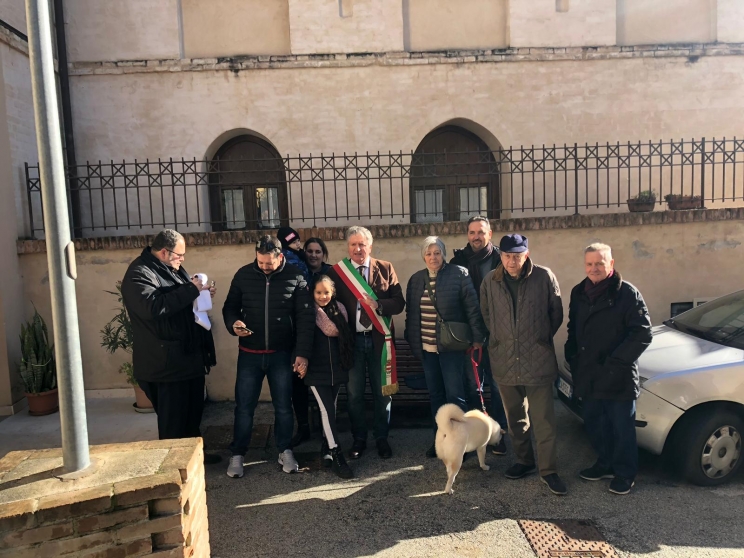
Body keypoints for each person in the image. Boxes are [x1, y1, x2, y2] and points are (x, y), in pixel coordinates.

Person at [120, 229, 220, 464]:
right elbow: (154, 308)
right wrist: (191, 289)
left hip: (187, 359)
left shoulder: (170, 268)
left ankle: (195, 458)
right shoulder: (139, 274)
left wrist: (201, 293)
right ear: (164, 252)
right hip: (165, 365)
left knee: (192, 415)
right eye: (179, 255)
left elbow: (180, 298)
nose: (182, 259)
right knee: (173, 423)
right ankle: (174, 468)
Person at [480, 234, 566, 495]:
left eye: (517, 256)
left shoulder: (544, 277)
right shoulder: (490, 281)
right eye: (507, 256)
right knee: (515, 418)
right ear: (501, 256)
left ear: (526, 255)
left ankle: (548, 470)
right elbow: (486, 315)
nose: (511, 261)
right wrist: (500, 339)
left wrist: (539, 339)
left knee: (543, 421)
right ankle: (524, 461)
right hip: (504, 359)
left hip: (537, 360)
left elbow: (556, 314)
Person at [222, 235, 314, 478]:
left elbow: (305, 318)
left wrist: (302, 353)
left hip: (281, 355)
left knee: (283, 407)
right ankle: (238, 454)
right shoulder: (243, 275)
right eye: (260, 262)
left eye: (269, 263)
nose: (264, 267)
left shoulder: (296, 276)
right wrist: (234, 324)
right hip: (249, 355)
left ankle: (285, 450)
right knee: (244, 408)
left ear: (280, 256)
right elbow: (230, 307)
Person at [565, 243, 652, 495]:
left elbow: (642, 333)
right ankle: (605, 464)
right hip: (589, 374)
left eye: (599, 263)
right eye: (589, 264)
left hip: (618, 376)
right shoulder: (579, 292)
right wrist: (572, 355)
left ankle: (625, 473)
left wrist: (616, 363)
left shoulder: (627, 293)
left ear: (611, 264)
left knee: (622, 429)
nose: (594, 268)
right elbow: (573, 327)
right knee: (596, 425)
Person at [328, 226, 406, 460]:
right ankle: (359, 438)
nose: (358, 249)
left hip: (379, 342)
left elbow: (399, 302)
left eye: (362, 244)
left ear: (370, 246)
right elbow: (329, 305)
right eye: (353, 244)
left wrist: (379, 305)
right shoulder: (337, 273)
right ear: (348, 247)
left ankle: (381, 438)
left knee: (383, 393)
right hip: (352, 343)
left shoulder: (386, 268)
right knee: (354, 394)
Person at [405, 236, 486, 458]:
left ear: (443, 254)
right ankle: (440, 441)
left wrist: (477, 339)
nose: (433, 257)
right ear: (423, 256)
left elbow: (472, 309)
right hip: (427, 349)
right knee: (436, 397)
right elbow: (412, 314)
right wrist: (413, 342)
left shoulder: (459, 274)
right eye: (428, 253)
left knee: (455, 396)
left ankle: (463, 444)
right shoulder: (416, 280)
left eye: (437, 252)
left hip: (452, 348)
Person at [450, 215, 508, 454]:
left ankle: (499, 434)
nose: (476, 236)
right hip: (469, 337)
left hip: (497, 336)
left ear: (490, 234)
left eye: (481, 232)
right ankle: (477, 434)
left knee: (498, 387)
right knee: (474, 387)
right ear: (467, 235)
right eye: (472, 232)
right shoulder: (457, 261)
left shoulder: (501, 260)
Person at [299, 275, 355, 479]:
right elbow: (302, 338)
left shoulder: (340, 309)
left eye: (326, 292)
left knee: (332, 407)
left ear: (333, 293)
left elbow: (346, 338)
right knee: (327, 410)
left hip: (338, 368)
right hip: (316, 369)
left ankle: (326, 445)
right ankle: (337, 453)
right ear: (312, 293)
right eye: (318, 292)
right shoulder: (308, 312)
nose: (323, 296)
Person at [289, 236, 334, 448]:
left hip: (324, 341)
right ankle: (303, 427)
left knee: (324, 389)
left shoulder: (332, 273)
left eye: (318, 251)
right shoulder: (297, 272)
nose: (313, 255)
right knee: (298, 385)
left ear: (323, 254)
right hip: (300, 338)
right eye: (310, 251)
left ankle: (327, 434)